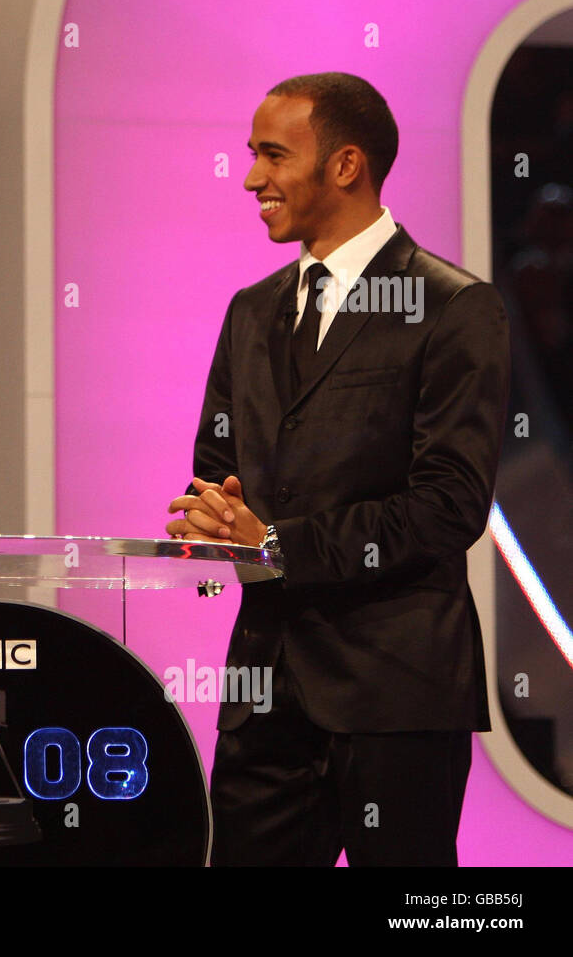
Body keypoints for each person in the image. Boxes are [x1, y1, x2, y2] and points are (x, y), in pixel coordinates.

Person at [164, 72, 510, 865]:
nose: (252, 176)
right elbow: (218, 473)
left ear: (346, 165)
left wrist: (279, 546)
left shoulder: (455, 307)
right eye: (252, 154)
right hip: (264, 698)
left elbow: (449, 505)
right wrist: (209, 516)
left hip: (396, 696)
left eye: (274, 154)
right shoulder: (250, 311)